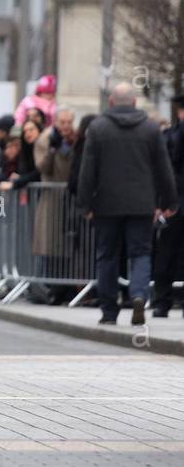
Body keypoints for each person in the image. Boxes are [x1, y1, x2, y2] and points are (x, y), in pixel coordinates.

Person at [76, 83, 178, 326]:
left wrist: (85, 203)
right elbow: (163, 168)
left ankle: (109, 311)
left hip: (106, 204)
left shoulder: (98, 128)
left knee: (107, 256)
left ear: (111, 102)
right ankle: (139, 295)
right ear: (134, 102)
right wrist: (169, 200)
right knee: (141, 253)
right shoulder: (150, 129)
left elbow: (87, 170)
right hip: (142, 203)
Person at [31, 107, 79, 302]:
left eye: (69, 122)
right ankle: (51, 289)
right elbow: (42, 166)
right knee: (50, 245)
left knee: (69, 245)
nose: (66, 127)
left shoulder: (76, 139)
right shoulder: (45, 139)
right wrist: (53, 149)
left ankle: (67, 289)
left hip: (70, 197)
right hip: (52, 198)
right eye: (62, 122)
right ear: (56, 122)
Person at [153, 95, 184, 317]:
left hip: (173, 199)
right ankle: (162, 301)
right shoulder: (170, 136)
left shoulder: (170, 135)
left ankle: (165, 302)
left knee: (170, 252)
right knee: (167, 252)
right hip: (173, 201)